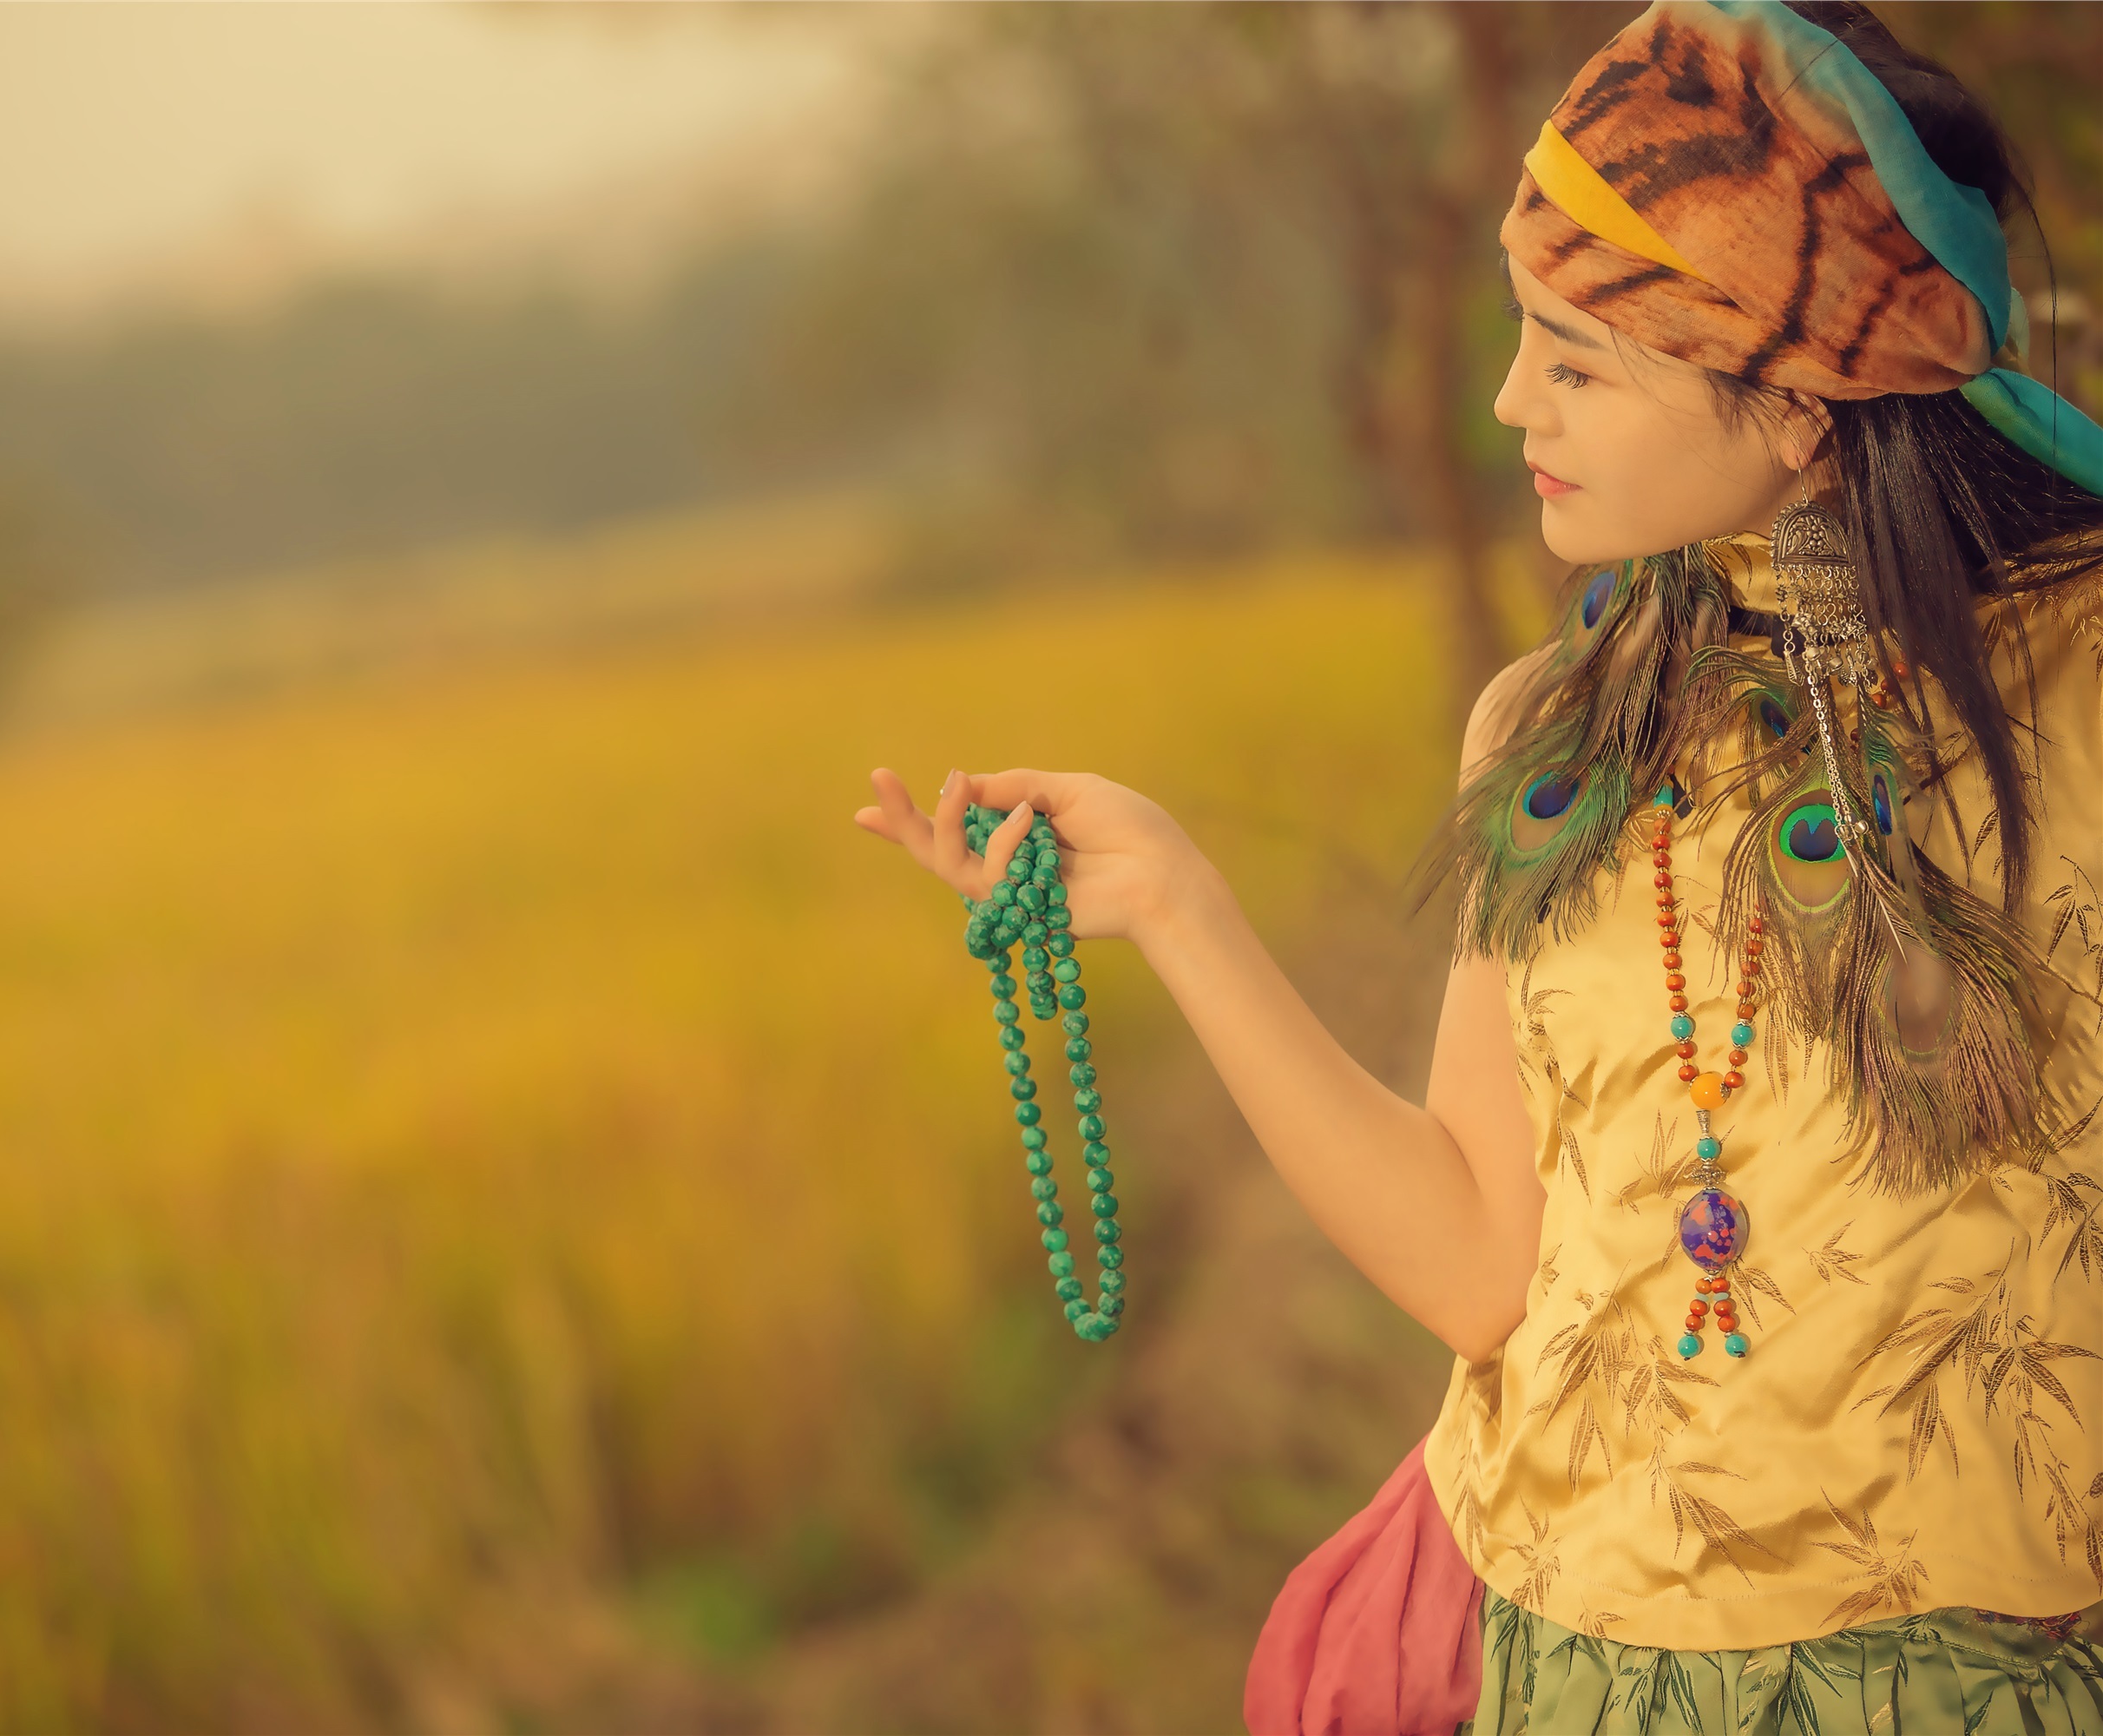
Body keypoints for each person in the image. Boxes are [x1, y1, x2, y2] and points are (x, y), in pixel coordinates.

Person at [853, 3, 2103, 1731]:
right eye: (1525, 340)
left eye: (1579, 358)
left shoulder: (2079, 682)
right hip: (1578, 1679)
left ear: (1808, 393)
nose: (1514, 398)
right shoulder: (1555, 728)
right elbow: (1477, 1271)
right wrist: (1175, 909)